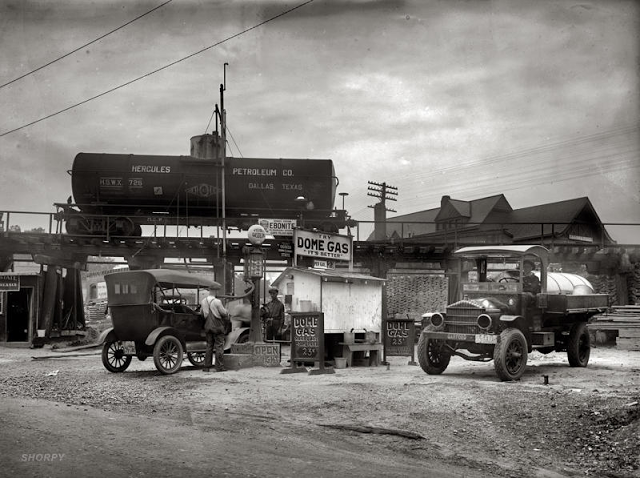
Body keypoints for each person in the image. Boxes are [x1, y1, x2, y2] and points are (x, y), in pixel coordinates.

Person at [200, 286, 228, 372]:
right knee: (219, 346)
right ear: (215, 292)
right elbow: (223, 313)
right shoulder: (217, 301)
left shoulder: (203, 301)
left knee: (209, 346)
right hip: (217, 327)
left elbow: (202, 313)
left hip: (208, 327)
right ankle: (219, 367)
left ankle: (206, 366)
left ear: (209, 291)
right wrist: (227, 312)